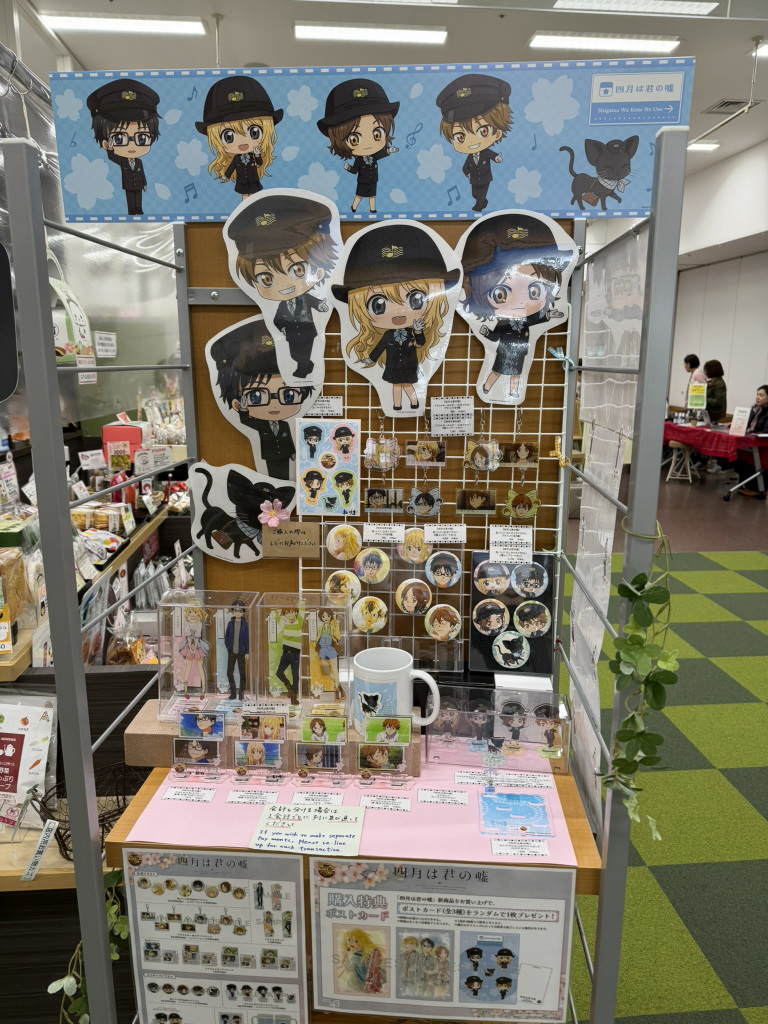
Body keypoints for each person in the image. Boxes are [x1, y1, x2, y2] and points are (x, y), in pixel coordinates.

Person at [318, 78, 400, 214]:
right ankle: (354, 207)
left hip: (373, 180)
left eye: (377, 134)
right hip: (362, 181)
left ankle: (372, 209)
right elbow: (354, 170)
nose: (368, 144)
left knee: (372, 196)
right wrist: (348, 168)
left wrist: (390, 150)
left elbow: (382, 153)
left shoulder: (374, 157)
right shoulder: (360, 160)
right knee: (359, 195)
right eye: (354, 139)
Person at [197, 77, 282, 199]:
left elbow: (259, 163)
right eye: (229, 137)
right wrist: (226, 176)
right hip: (241, 180)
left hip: (253, 179)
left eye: (254, 133)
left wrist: (257, 154)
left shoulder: (253, 155)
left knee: (254, 197)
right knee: (245, 197)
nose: (242, 142)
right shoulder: (236, 158)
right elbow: (231, 167)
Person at [86, 80, 160, 216]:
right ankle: (132, 210)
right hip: (128, 185)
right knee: (130, 197)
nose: (132, 145)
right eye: (119, 139)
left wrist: (144, 183)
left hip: (138, 184)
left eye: (142, 138)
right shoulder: (122, 161)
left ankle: (138, 209)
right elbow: (111, 156)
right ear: (106, 143)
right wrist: (110, 148)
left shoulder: (139, 162)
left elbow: (142, 173)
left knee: (138, 197)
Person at [735, 384, 768, 497]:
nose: (758, 397)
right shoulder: (754, 410)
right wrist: (735, 424)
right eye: (757, 395)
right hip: (751, 440)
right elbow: (746, 425)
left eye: (761, 395)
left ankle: (757, 488)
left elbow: (765, 431)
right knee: (738, 455)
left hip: (763, 444)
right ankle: (746, 485)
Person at [703, 359, 727, 424]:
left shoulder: (720, 384)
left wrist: (704, 399)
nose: (704, 372)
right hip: (710, 415)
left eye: (705, 370)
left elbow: (718, 401)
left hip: (716, 417)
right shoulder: (712, 381)